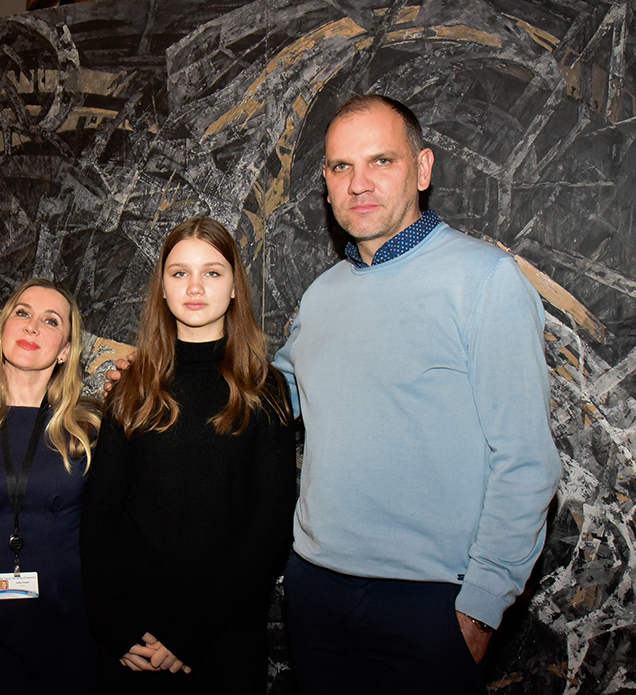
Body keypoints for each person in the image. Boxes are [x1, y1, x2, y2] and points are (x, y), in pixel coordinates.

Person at [272, 95, 562, 693]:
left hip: (431, 603)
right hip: (315, 590)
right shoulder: (321, 294)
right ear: (326, 182)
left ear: (423, 169)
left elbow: (527, 462)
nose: (359, 183)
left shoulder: (485, 281)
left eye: (381, 160)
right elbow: (268, 401)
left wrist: (480, 607)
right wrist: (156, 381)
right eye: (341, 167)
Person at [81, 217, 297, 694]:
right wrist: (112, 625)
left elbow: (270, 522)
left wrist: (192, 631)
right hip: (134, 640)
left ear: (235, 288)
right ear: (162, 288)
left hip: (224, 635)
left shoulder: (265, 388)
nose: (194, 286)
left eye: (212, 272)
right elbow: (99, 514)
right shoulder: (132, 386)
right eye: (179, 273)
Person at [0, 278, 101, 693]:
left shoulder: (89, 430)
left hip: (73, 627)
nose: (32, 326)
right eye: (22, 313)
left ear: (65, 350)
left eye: (51, 320)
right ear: (3, 328)